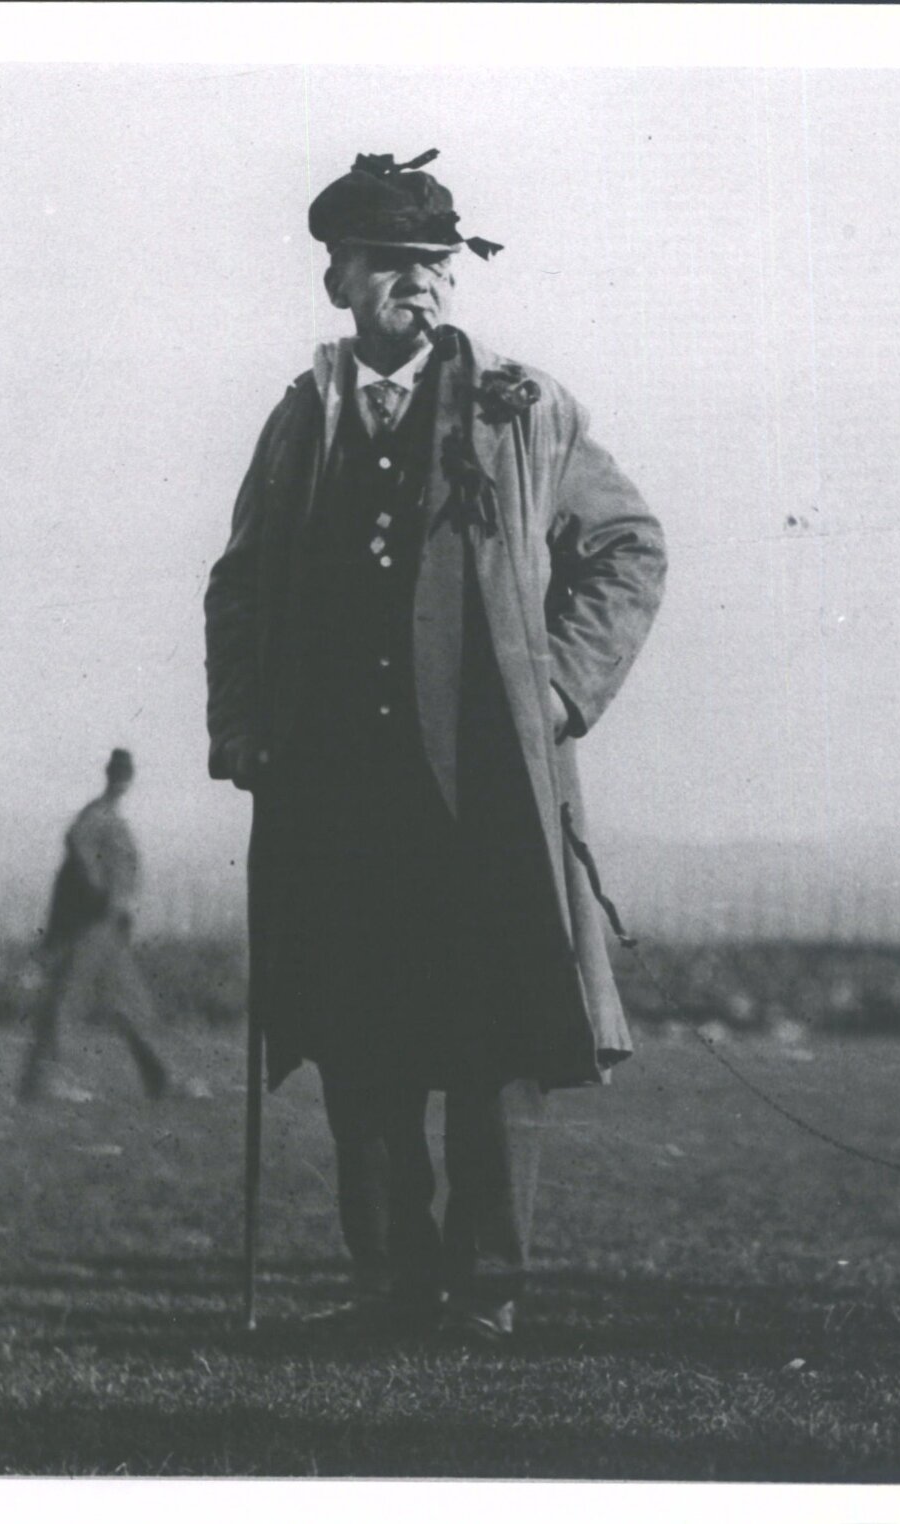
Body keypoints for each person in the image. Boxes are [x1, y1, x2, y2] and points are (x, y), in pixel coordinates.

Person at [204, 150, 666, 1345]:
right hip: (336, 796)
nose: (420, 285)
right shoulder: (302, 418)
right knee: (360, 1040)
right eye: (392, 265)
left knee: (494, 1036)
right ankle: (389, 1287)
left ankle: (485, 1295)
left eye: (435, 265)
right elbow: (242, 584)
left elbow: (626, 547)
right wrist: (244, 725)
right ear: (339, 282)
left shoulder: (526, 407)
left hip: (489, 790)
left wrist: (560, 689)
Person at [19, 748, 171, 1103]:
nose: (121, 781)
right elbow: (78, 842)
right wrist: (99, 892)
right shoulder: (96, 816)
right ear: (110, 777)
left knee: (134, 1004)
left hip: (110, 929)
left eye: (126, 775)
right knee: (67, 1000)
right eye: (117, 774)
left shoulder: (114, 820)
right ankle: (43, 1083)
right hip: (89, 925)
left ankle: (162, 1079)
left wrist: (119, 906)